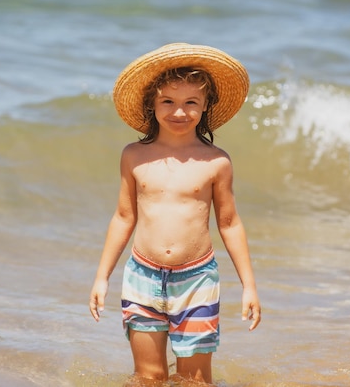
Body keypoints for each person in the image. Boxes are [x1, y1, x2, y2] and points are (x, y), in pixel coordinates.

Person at [89, 43, 261, 385]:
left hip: (196, 280)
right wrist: (102, 276)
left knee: (195, 380)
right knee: (148, 377)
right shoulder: (134, 156)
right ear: (151, 104)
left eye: (190, 103)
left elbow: (229, 223)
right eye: (168, 101)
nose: (178, 112)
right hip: (142, 277)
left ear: (205, 106)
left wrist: (249, 285)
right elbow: (124, 217)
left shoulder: (216, 161)